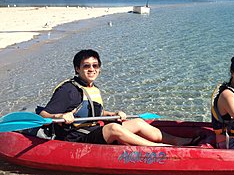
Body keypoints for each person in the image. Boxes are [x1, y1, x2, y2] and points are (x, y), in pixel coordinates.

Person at [40, 49, 197, 146]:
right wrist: (60, 116)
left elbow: (93, 112)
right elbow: (44, 114)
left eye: (95, 66)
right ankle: (157, 148)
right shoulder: (67, 89)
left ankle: (177, 141)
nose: (91, 69)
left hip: (93, 131)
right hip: (77, 138)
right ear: (77, 69)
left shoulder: (92, 88)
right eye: (86, 66)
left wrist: (111, 114)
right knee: (114, 128)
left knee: (138, 122)